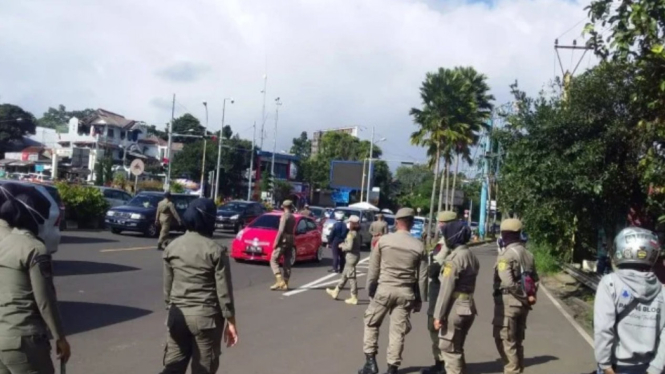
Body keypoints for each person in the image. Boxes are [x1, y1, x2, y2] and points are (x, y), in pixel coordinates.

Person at [162, 198, 238, 374]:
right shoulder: (215, 250)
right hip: (206, 319)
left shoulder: (172, 247)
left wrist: (171, 310)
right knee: (203, 368)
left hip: (177, 315)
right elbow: (224, 290)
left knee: (173, 366)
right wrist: (231, 321)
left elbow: (167, 288)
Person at [0, 183, 71, 373]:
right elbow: (45, 300)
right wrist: (60, 337)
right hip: (24, 340)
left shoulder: (4, 243)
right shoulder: (34, 249)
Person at [359, 208, 428, 374]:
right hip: (405, 293)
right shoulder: (419, 246)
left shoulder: (384, 241)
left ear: (396, 222)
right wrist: (420, 300)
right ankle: (392, 368)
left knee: (371, 323)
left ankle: (370, 362)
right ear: (411, 223)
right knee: (398, 331)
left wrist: (371, 289)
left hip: (384, 290)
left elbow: (373, 268)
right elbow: (422, 277)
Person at [594, 227, 665, 374]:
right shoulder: (662, 290)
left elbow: (603, 328)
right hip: (649, 366)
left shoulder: (610, 283)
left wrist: (605, 364)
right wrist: (656, 368)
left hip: (616, 365)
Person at [432, 217, 478, 374]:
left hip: (455, 307)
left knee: (449, 348)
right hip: (468, 305)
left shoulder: (454, 259)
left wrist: (439, 315)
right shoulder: (471, 255)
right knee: (457, 347)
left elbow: (446, 289)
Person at [493, 218, 538, 374]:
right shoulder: (529, 255)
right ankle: (518, 370)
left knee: (505, 341)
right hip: (523, 306)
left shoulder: (505, 256)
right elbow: (535, 280)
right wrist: (529, 297)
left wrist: (523, 296)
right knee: (517, 341)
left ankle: (512, 370)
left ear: (504, 234)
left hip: (508, 304)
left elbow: (508, 282)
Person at [422, 211, 456, 374]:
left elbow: (435, 268)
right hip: (437, 287)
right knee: (434, 327)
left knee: (436, 326)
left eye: (441, 223)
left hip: (441, 288)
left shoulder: (450, 244)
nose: (439, 226)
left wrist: (432, 268)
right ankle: (439, 362)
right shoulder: (445, 241)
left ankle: (443, 364)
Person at [326, 215, 362, 305]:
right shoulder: (357, 233)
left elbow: (349, 247)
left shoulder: (351, 234)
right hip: (355, 255)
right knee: (344, 276)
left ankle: (354, 296)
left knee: (351, 277)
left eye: (349, 223)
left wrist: (342, 246)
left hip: (351, 257)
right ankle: (336, 291)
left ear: (351, 224)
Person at [269, 200, 296, 291]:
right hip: (290, 240)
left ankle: (279, 280)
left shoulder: (284, 216)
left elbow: (280, 230)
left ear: (283, 207)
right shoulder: (293, 217)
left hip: (283, 240)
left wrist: (276, 242)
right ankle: (286, 282)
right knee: (287, 260)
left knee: (273, 259)